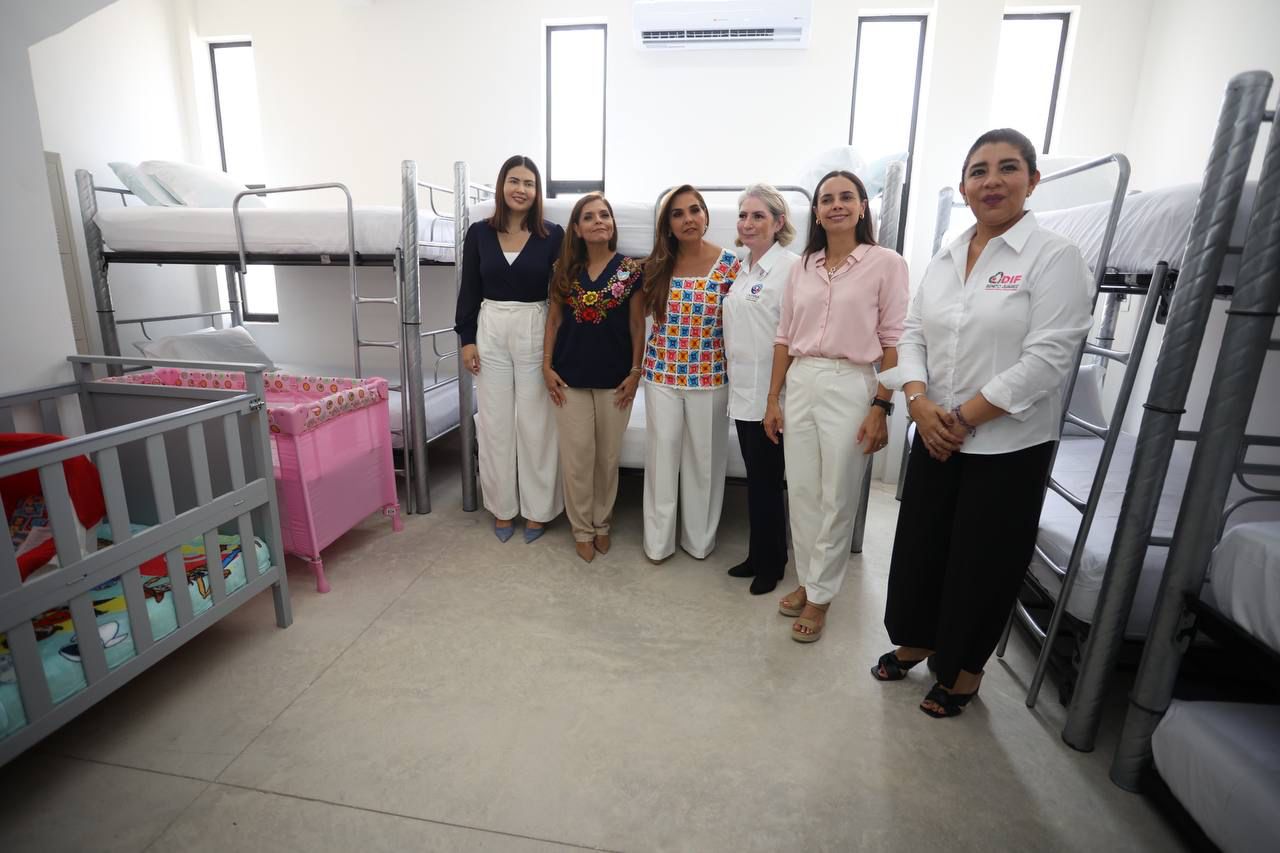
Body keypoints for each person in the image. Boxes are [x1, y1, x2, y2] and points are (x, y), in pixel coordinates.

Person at [873, 128, 1093, 718]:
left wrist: (961, 418)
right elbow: (912, 335)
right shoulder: (946, 258)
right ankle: (917, 639)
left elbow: (1048, 358)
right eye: (979, 171)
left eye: (1007, 168)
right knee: (922, 546)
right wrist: (918, 401)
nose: (992, 181)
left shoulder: (1054, 257)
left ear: (1032, 180)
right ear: (965, 186)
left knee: (983, 560)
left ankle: (964, 669)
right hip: (933, 431)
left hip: (1008, 445)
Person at [763, 170, 908, 643]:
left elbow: (894, 342)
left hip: (852, 381)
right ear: (817, 212)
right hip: (802, 377)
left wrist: (881, 406)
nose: (837, 205)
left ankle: (821, 595)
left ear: (863, 206)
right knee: (803, 490)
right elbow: (784, 336)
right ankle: (809, 580)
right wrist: (773, 398)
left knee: (838, 492)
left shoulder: (886, 263)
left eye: (847, 197)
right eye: (827, 199)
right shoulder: (803, 266)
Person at [455, 155, 565, 542]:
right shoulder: (479, 233)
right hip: (491, 327)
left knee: (537, 423)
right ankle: (502, 507)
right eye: (514, 181)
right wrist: (467, 339)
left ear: (537, 192)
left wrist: (555, 349)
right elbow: (469, 288)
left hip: (535, 324)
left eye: (529, 183)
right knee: (495, 422)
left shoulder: (553, 235)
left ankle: (538, 510)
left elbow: (560, 297)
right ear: (502, 185)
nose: (521, 189)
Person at [640, 185, 742, 563]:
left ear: (706, 216)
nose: (688, 219)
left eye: (695, 210)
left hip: (709, 375)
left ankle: (699, 541)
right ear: (667, 224)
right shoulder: (656, 265)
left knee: (705, 462)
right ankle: (658, 542)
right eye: (678, 213)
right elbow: (639, 319)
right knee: (661, 459)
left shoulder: (730, 265)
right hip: (661, 374)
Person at [542, 194, 645, 563]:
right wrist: (546, 366)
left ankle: (602, 523)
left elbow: (637, 325)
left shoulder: (631, 271)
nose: (599, 221)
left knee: (607, 458)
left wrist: (635, 372)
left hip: (616, 380)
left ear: (612, 224)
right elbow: (554, 320)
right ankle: (582, 529)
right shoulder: (563, 270)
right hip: (569, 378)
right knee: (578, 459)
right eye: (589, 217)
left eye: (604, 215)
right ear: (578, 228)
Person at [722, 184, 800, 595]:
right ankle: (757, 555)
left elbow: (790, 337)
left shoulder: (790, 269)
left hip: (773, 396)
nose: (748, 223)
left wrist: (775, 399)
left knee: (769, 481)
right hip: (744, 391)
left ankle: (772, 565)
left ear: (778, 222)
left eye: (758, 216)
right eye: (743, 215)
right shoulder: (742, 267)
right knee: (757, 479)